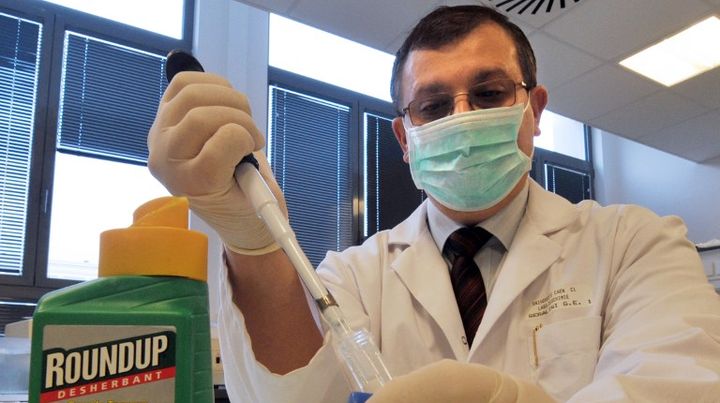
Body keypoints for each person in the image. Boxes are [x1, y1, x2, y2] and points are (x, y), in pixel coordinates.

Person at [147, 5, 720, 402]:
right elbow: (292, 395)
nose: (463, 119)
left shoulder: (635, 244)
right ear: (404, 137)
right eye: (433, 105)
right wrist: (254, 242)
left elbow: (683, 383)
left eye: (490, 93)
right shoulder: (356, 274)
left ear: (534, 110)